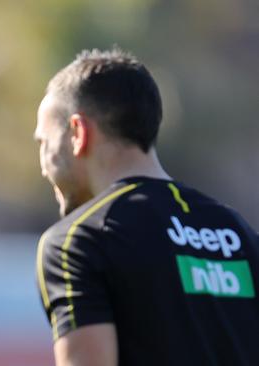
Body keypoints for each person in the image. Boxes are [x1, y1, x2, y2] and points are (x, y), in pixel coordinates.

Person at [34, 47, 259, 365]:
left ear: (78, 133)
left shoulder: (78, 241)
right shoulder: (238, 233)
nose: (43, 165)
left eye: (43, 142)